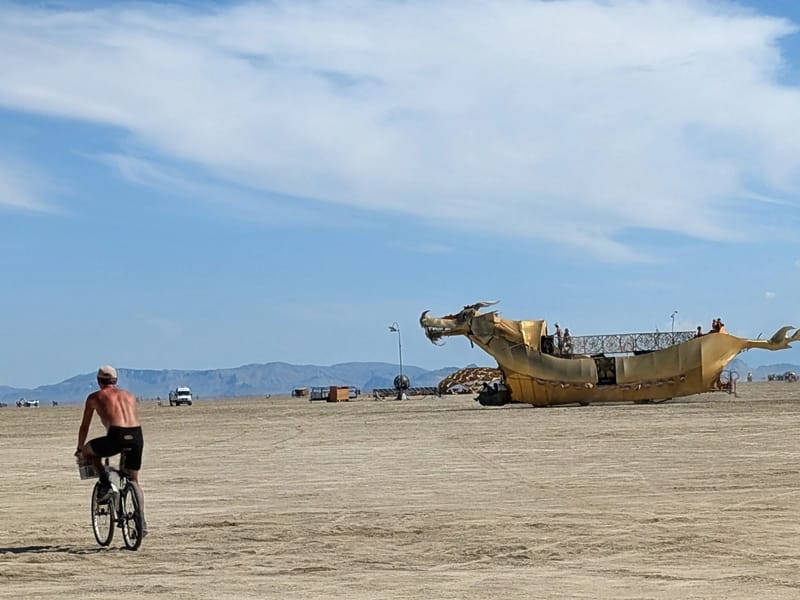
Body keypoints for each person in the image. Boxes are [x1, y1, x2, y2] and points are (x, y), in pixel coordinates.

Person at [75, 365, 147, 533]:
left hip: (116, 435)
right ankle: (141, 520)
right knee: (134, 480)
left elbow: (84, 426)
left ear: (99, 381)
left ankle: (106, 483)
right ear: (116, 380)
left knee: (88, 451)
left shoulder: (94, 397)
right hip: (136, 435)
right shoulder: (130, 396)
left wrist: (80, 448)